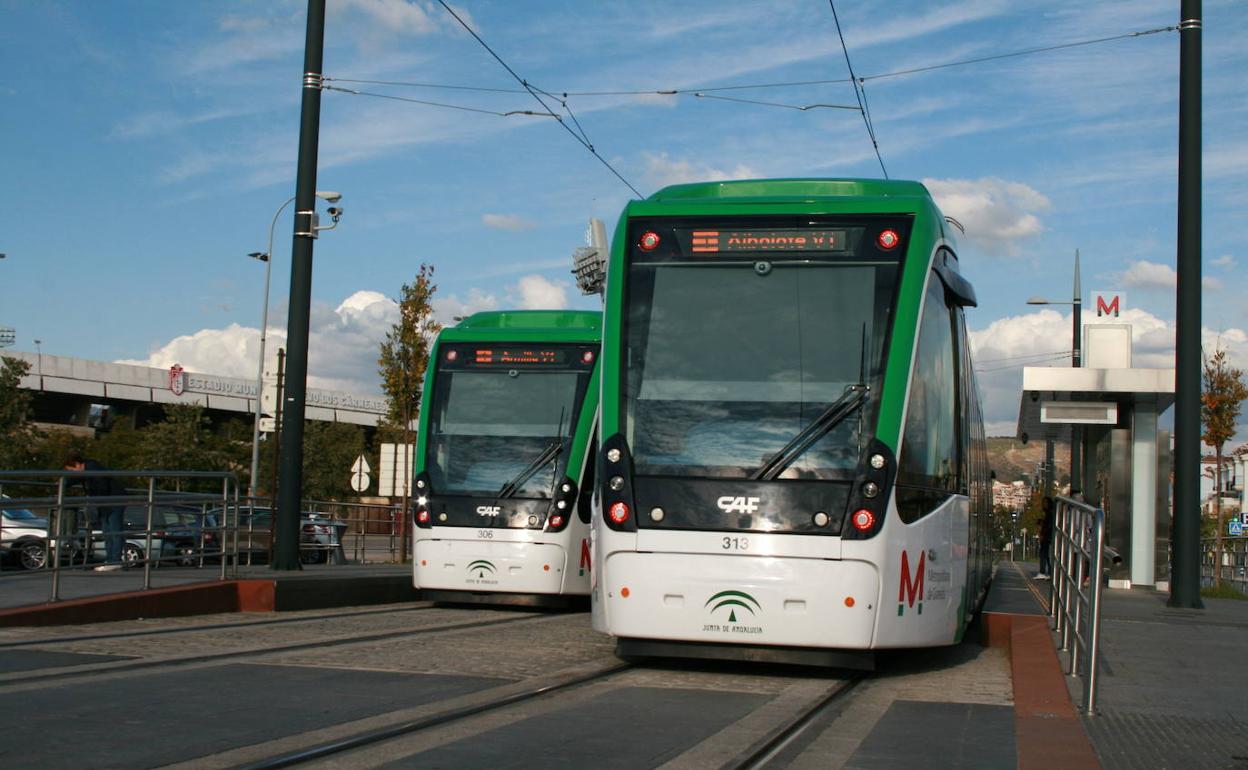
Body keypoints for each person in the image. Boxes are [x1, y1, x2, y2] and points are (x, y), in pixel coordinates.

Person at [63, 450, 128, 572]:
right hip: (107, 501)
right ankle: (111, 559)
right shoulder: (88, 469)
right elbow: (78, 478)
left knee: (114, 530)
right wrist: (65, 482)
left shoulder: (92, 468)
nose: (72, 473)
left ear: (77, 465)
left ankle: (115, 560)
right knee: (108, 531)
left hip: (114, 500)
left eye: (72, 470)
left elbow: (101, 485)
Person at [1035, 496, 1055, 580]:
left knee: (1044, 555)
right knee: (1046, 555)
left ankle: (1043, 572)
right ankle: (1049, 572)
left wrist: (1042, 533)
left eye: (1046, 503)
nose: (1044, 504)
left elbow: (1048, 525)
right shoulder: (1048, 513)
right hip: (1047, 536)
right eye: (1043, 503)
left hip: (1047, 536)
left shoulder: (1049, 513)